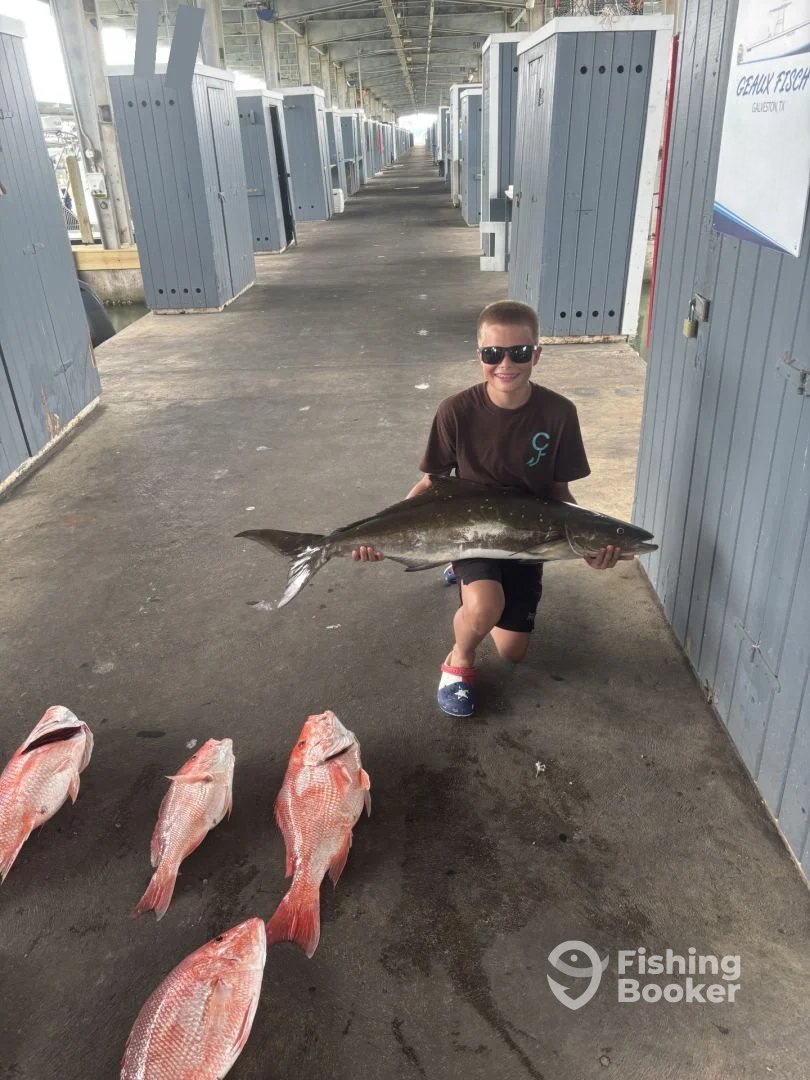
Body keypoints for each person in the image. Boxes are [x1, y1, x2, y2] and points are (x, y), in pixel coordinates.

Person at [352, 300, 632, 717]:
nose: (506, 364)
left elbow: (560, 491)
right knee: (485, 607)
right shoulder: (455, 410)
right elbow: (431, 483)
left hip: (528, 536)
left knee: (512, 651)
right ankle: (459, 658)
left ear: (536, 355)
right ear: (479, 355)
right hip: (466, 532)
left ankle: (466, 580)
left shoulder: (559, 413)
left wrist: (588, 545)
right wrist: (383, 532)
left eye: (519, 353)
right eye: (493, 353)